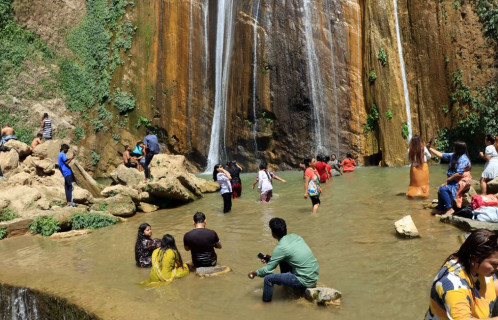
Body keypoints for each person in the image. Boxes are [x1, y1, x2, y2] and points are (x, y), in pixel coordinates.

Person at [425, 229, 498, 320]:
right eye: (495, 264)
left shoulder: (479, 267)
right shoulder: (452, 284)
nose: (497, 267)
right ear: (475, 258)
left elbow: (494, 285)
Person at [247, 217, 319, 302]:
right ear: (286, 229)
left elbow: (267, 270)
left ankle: (265, 304)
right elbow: (293, 255)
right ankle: (286, 288)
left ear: (273, 234)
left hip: (305, 280)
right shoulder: (295, 236)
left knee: (268, 279)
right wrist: (272, 259)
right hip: (314, 275)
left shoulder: (281, 247)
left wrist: (254, 273)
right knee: (283, 261)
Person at [429, 141, 472, 216]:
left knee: (442, 189)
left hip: (461, 180)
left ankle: (449, 209)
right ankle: (440, 209)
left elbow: (459, 174)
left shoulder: (463, 159)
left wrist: (448, 180)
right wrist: (430, 149)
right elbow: (441, 155)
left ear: (458, 149)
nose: (453, 148)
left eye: (454, 147)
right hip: (454, 179)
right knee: (441, 189)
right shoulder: (454, 155)